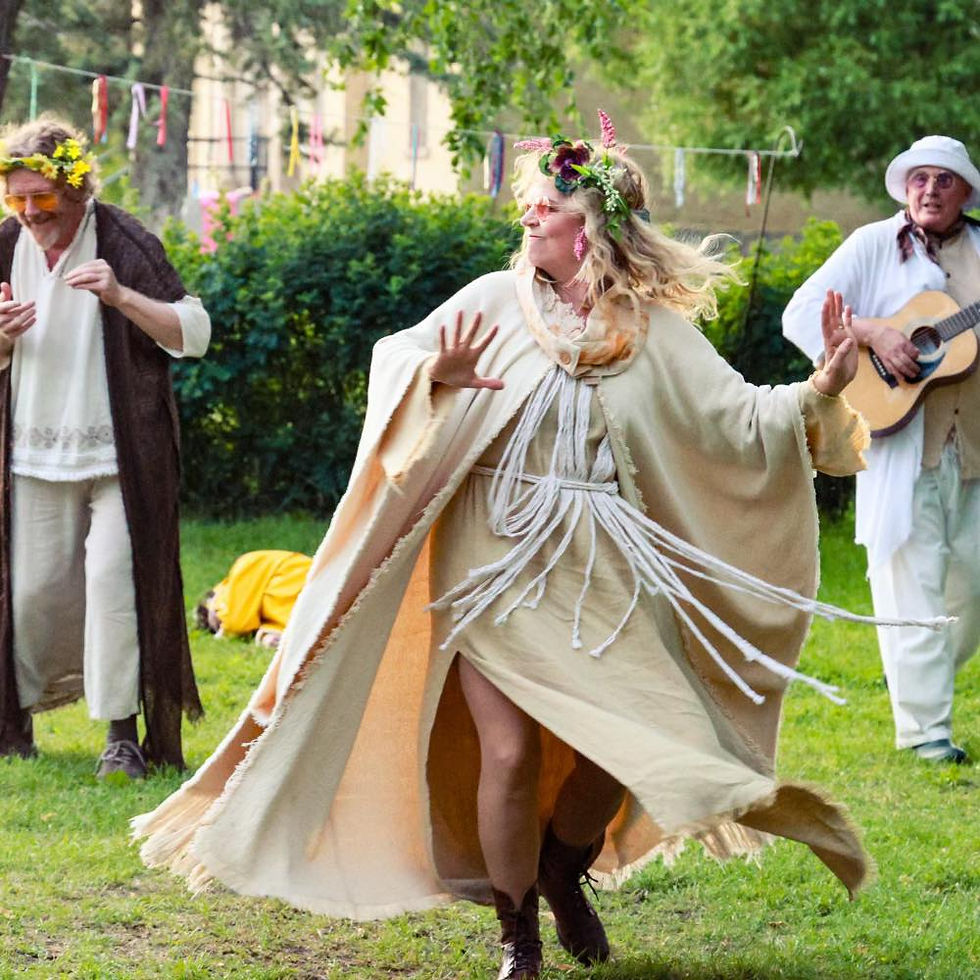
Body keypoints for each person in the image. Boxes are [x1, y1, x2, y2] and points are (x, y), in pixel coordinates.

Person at [136, 111, 874, 978]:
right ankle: (516, 934)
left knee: (618, 747)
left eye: (548, 204)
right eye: (529, 203)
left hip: (603, 571)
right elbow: (397, 359)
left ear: (593, 225)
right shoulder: (492, 302)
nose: (528, 217)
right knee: (512, 751)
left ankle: (564, 864)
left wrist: (820, 386)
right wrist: (432, 376)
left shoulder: (652, 333)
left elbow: (739, 417)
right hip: (492, 561)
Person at [0, 115, 211, 778]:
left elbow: (194, 330)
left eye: (44, 198)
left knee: (112, 582)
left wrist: (122, 297)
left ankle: (122, 735)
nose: (32, 213)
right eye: (19, 199)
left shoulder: (120, 238)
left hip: (120, 457)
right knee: (30, 594)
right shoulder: (5, 242)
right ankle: (21, 718)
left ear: (76, 188)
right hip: (32, 452)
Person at [783, 135, 980, 766]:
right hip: (904, 440)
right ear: (904, 188)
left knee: (972, 587)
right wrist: (872, 329)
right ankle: (927, 734)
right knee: (912, 579)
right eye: (919, 178)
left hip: (973, 442)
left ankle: (914, 674)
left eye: (944, 180)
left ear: (966, 192)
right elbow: (802, 311)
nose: (930, 189)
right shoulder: (874, 243)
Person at [195, 550, 313, 649]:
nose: (223, 618)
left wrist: (224, 633)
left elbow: (236, 624)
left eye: (218, 612)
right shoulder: (265, 618)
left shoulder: (247, 563)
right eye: (220, 623)